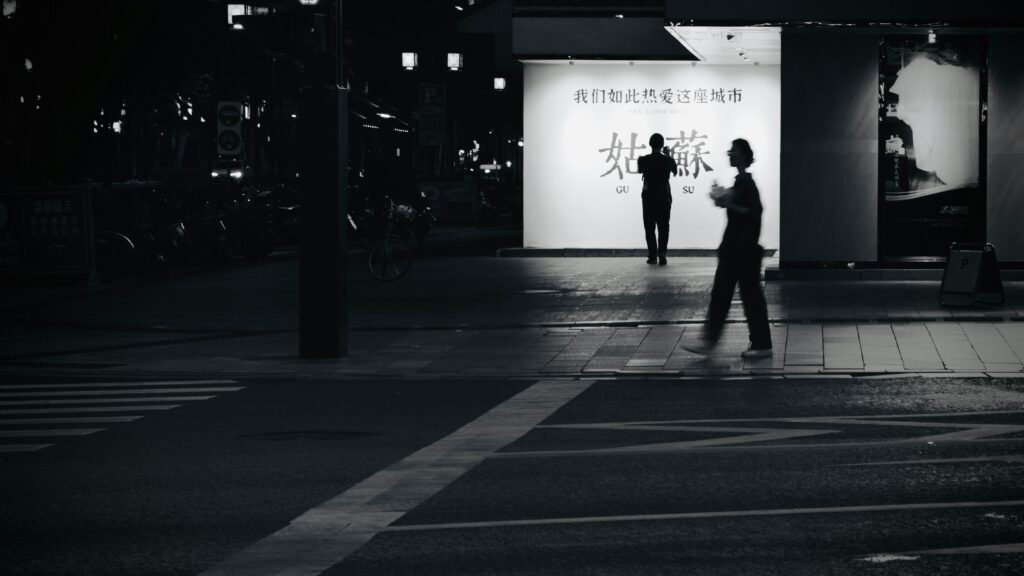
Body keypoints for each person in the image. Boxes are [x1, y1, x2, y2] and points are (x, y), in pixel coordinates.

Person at [684, 138, 772, 358]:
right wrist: (725, 199)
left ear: (743, 155)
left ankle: (757, 344)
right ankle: (751, 342)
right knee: (731, 295)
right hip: (737, 249)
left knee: (738, 296)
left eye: (733, 151)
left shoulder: (746, 183)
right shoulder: (741, 182)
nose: (729, 154)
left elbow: (753, 212)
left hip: (741, 250)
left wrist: (728, 202)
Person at [637, 133, 677, 265]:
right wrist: (668, 155)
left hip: (649, 197)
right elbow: (675, 171)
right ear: (662, 145)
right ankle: (662, 254)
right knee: (664, 227)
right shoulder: (667, 160)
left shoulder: (643, 160)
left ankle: (652, 256)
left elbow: (639, 170)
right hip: (664, 197)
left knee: (649, 228)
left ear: (650, 144)